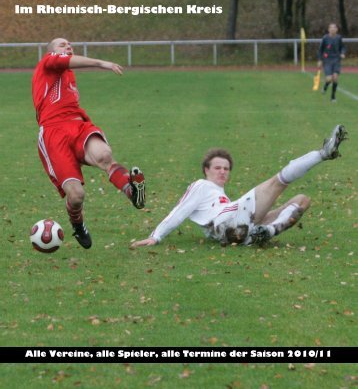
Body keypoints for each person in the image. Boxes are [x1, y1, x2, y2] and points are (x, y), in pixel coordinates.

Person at [131, 125, 347, 248]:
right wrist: (156, 236)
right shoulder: (201, 185)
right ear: (206, 170)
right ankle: (323, 154)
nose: (222, 171)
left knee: (302, 200)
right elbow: (180, 210)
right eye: (217, 168)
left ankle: (265, 232)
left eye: (226, 168)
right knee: (277, 182)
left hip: (236, 231)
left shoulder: (220, 196)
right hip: (227, 221)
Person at [32, 37, 146, 249]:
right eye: (62, 44)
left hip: (78, 126)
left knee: (104, 155)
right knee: (76, 195)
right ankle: (78, 224)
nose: (67, 46)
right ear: (51, 52)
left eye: (69, 44)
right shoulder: (47, 62)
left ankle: (132, 192)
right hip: (54, 133)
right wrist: (102, 63)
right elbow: (66, 60)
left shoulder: (68, 75)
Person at [317, 23, 346, 102]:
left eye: (334, 28)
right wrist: (320, 60)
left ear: (337, 29)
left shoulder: (339, 38)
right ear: (328, 29)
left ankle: (333, 97)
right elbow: (320, 50)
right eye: (331, 28)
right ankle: (325, 86)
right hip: (327, 60)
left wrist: (343, 53)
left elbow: (342, 47)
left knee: (335, 78)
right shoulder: (325, 38)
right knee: (329, 78)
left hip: (336, 60)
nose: (333, 29)